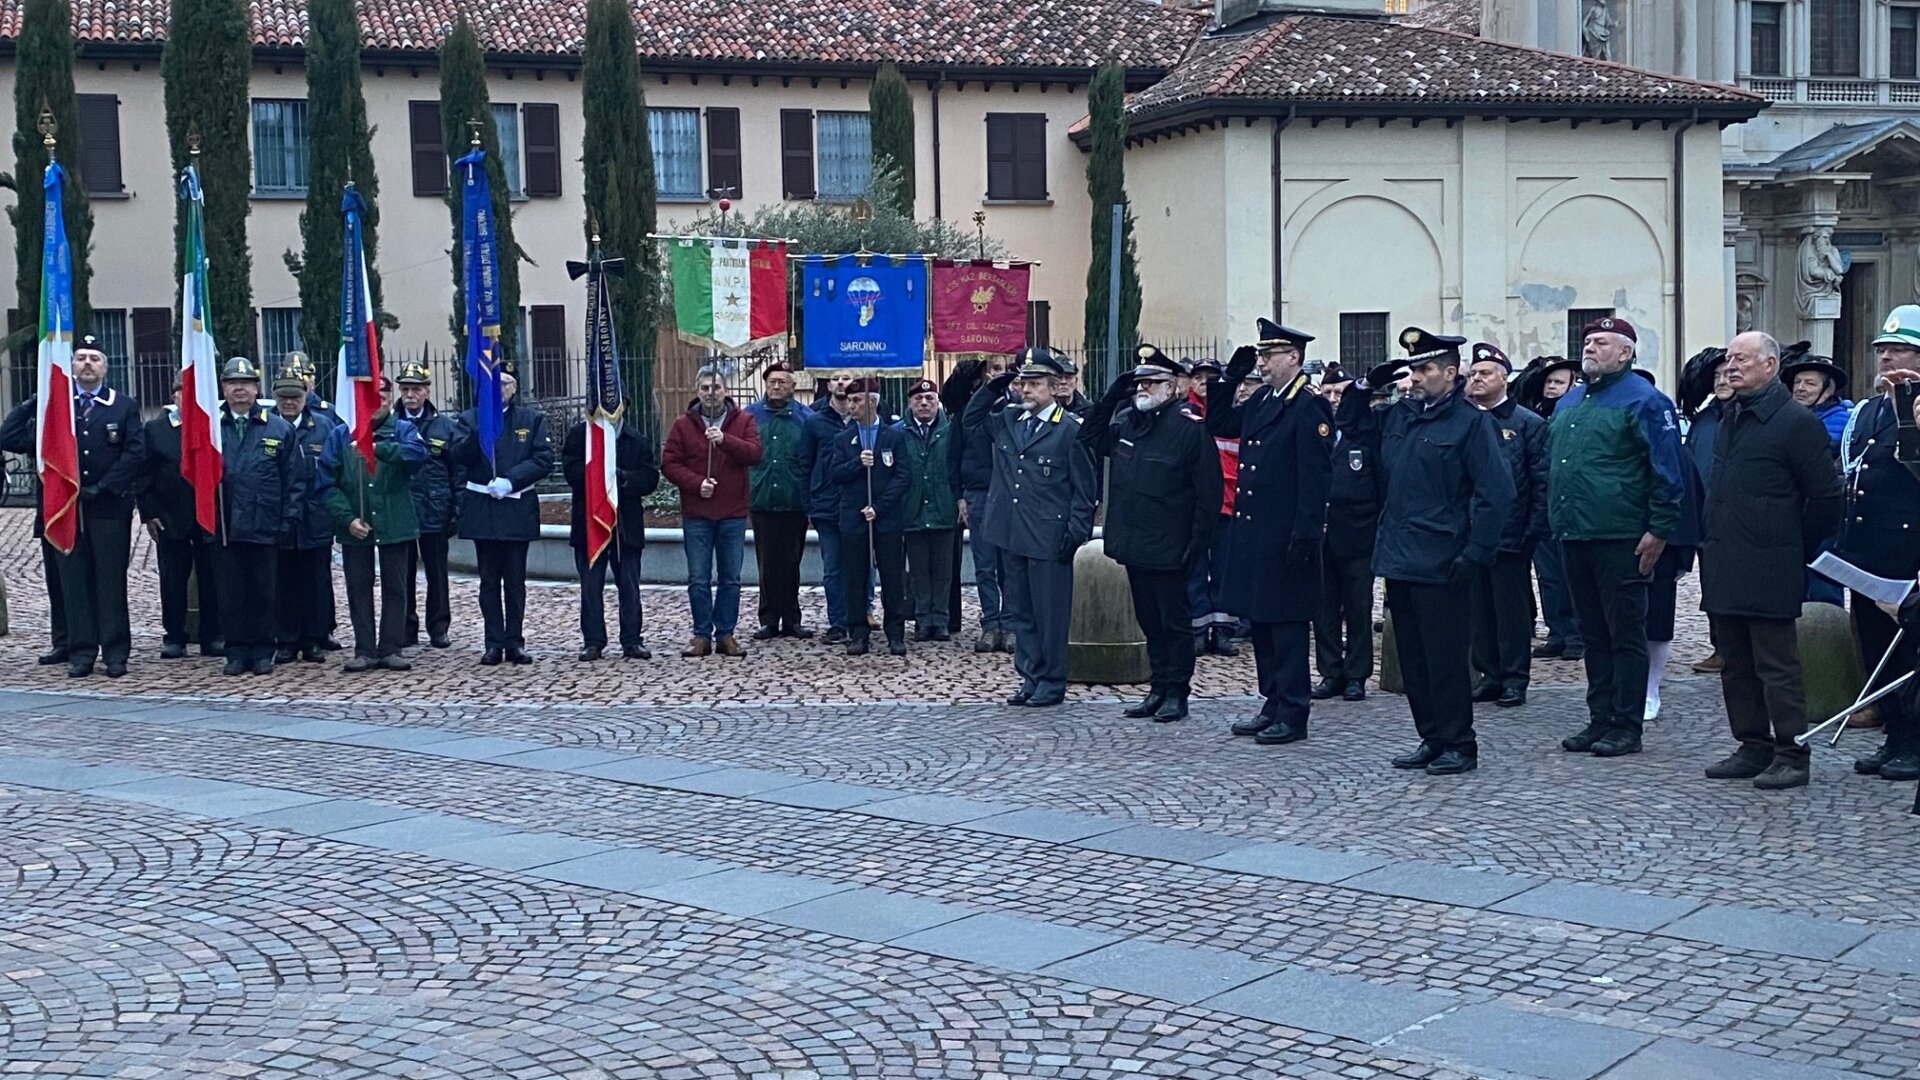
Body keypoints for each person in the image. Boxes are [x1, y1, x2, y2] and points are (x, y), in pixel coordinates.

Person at [1361, 328, 1513, 775]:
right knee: (1414, 659)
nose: (1417, 378)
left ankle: (1459, 742)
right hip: (1401, 555)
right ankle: (1431, 735)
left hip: (1444, 559)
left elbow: (1496, 494)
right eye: (1414, 369)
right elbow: (1359, 429)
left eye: (1426, 369)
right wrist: (1371, 384)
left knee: (1445, 658)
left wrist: (1477, 551)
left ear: (1451, 373)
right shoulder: (1403, 417)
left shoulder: (1471, 422)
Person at [1700, 331, 1844, 790]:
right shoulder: (1730, 416)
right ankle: (1752, 744)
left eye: (1741, 359)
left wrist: (1790, 544)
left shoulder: (1796, 423)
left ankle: (1791, 752)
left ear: (1769, 365)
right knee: (1736, 663)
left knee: (1776, 666)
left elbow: (1825, 498)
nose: (1731, 366)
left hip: (1771, 562)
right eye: (1728, 359)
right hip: (1725, 559)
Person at [1549, 317, 1685, 760]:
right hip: (1575, 532)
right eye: (1587, 341)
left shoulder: (1645, 401)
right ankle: (1600, 716)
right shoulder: (1570, 402)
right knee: (1592, 633)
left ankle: (1627, 722)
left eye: (1601, 342)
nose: (1590, 347)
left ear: (1625, 353)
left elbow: (1667, 472)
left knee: (1625, 632)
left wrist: (1660, 529)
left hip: (1622, 535)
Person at [1207, 320, 1333, 744]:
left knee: (1287, 626)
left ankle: (1293, 711)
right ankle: (1272, 701)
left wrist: (1307, 533)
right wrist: (1227, 378)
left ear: (1293, 358)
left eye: (1268, 356)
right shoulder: (1263, 399)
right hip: (1255, 531)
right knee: (1261, 622)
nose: (1261, 363)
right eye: (1260, 356)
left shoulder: (1308, 406)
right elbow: (1221, 423)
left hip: (1286, 534)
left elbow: (1315, 477)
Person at [1084, 346, 1222, 721]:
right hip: (1134, 542)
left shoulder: (1188, 427)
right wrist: (1113, 395)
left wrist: (1195, 545)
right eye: (1140, 382)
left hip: (1171, 545)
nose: (1143, 388)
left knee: (1174, 623)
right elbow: (1089, 437)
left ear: (1173, 386)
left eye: (1152, 382)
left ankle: (1178, 690)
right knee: (1149, 621)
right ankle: (1158, 686)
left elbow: (1208, 494)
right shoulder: (1130, 421)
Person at [1, 335, 144, 677]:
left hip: (107, 509)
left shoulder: (122, 406)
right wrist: (36, 400)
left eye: (94, 358)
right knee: (74, 583)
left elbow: (135, 452)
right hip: (66, 511)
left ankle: (114, 652)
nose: (87, 364)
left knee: (110, 583)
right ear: (71, 366)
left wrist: (103, 487)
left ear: (106, 367)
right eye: (80, 358)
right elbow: (8, 438)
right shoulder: (56, 408)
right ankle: (81, 651)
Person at [965, 347, 1097, 707]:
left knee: (1049, 614)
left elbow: (1084, 488)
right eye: (1024, 384)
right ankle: (1030, 676)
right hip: (1011, 531)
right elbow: (970, 419)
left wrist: (1076, 532)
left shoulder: (1070, 430)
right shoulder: (1011, 420)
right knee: (1021, 611)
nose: (1027, 391)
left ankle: (1053, 681)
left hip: (1049, 534)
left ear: (1055, 389)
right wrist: (999, 384)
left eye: (1035, 384)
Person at [1831, 306, 1920, 782]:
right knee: (1874, 647)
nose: (1887, 357)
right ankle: (1893, 733)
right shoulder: (1869, 408)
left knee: (1909, 652)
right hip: (1870, 554)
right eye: (1883, 349)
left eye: (1900, 349)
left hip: (1909, 550)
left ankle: (1914, 742)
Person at [321, 376, 428, 672]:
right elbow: (326, 484)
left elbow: (419, 456)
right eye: (371, 397)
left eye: (382, 397)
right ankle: (365, 648)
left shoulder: (404, 430)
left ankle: (391, 647)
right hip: (355, 523)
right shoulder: (340, 435)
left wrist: (378, 448)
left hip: (395, 522)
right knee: (358, 588)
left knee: (396, 587)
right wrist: (347, 518)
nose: (377, 403)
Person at [1464, 343, 1549, 708]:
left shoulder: (1527, 423)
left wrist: (1531, 530)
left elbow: (1541, 480)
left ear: (1504, 379)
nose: (1476, 379)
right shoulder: (1465, 421)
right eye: (1473, 374)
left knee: (1510, 612)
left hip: (1512, 534)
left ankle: (1515, 677)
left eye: (1485, 373)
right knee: (1478, 610)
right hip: (1471, 533)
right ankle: (1489, 674)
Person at [450, 368, 554, 666]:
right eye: (491, 384)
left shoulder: (530, 420)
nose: (498, 389)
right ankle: (493, 642)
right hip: (483, 510)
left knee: (515, 581)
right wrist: (480, 430)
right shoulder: (469, 418)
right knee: (489, 581)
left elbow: (543, 458)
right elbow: (458, 456)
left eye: (503, 384)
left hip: (515, 507)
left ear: (513, 387)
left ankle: (514, 641)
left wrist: (512, 479)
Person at [663, 366, 763, 658]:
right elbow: (669, 463)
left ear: (725, 390)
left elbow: (755, 454)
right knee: (698, 578)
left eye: (716, 387)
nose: (710, 393)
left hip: (732, 512)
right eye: (705, 388)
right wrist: (696, 484)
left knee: (731, 577)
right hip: (698, 513)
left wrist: (725, 440)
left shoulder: (744, 421)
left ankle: (726, 633)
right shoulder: (683, 425)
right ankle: (701, 634)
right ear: (697, 391)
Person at [209, 357, 298, 676]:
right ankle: (235, 651)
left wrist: (287, 520)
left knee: (264, 592)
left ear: (257, 388)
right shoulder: (211, 428)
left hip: (265, 524)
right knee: (231, 594)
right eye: (233, 383)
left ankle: (263, 650)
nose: (239, 389)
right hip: (225, 526)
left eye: (245, 383)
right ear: (224, 388)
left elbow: (293, 479)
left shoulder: (278, 428)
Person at [127, 388, 223, 658]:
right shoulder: (156, 429)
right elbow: (143, 474)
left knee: (211, 579)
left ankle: (213, 635)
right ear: (173, 396)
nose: (189, 397)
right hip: (170, 516)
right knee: (172, 580)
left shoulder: (214, 425)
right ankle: (174, 636)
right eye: (184, 391)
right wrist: (148, 512)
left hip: (208, 515)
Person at [562, 414, 660, 661]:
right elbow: (570, 471)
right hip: (590, 523)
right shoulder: (579, 435)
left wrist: (624, 477)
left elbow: (650, 477)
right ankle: (593, 641)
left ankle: (632, 639)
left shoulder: (636, 439)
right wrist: (596, 476)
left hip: (626, 524)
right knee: (590, 586)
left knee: (629, 585)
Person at [1313, 363, 1383, 702]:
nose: (1333, 399)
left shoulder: (1365, 433)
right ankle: (1330, 672)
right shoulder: (1317, 431)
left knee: (1358, 609)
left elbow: (1379, 485)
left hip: (1357, 534)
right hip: (1320, 535)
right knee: (1324, 609)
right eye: (1327, 393)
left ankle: (1357, 674)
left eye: (1339, 393)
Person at [827, 377, 911, 655]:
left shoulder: (894, 437)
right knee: (855, 576)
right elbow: (835, 474)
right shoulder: (842, 439)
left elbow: (903, 477)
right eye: (849, 400)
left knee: (892, 577)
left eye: (857, 400)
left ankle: (895, 633)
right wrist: (856, 463)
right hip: (854, 517)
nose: (851, 405)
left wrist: (880, 506)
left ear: (872, 402)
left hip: (886, 519)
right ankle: (858, 633)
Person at [1514, 355, 1586, 662]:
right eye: (1549, 382)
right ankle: (1557, 632)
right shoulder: (1535, 415)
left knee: (1570, 575)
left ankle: (1576, 635)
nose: (1552, 388)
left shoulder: (1578, 413)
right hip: (1541, 504)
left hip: (1568, 505)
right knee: (1548, 576)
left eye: (1558, 382)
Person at [946, 359, 1014, 653]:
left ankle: (1011, 624)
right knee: (984, 566)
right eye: (992, 369)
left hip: (1010, 495)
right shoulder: (967, 414)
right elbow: (954, 458)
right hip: (978, 493)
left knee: (1009, 565)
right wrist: (960, 496)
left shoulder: (1016, 411)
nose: (996, 374)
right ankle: (990, 623)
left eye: (1001, 369)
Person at [271, 367, 337, 665]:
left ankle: (314, 639)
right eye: (283, 397)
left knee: (316, 582)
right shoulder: (267, 425)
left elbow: (336, 469)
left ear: (305, 396)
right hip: (280, 516)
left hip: (315, 515)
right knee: (284, 581)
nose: (289, 403)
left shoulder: (324, 427)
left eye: (294, 396)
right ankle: (286, 640)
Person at [744, 362, 815, 640]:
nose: (777, 387)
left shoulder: (805, 419)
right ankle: (769, 618)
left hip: (793, 498)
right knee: (767, 562)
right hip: (762, 497)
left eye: (783, 382)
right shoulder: (750, 416)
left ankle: (792, 618)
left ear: (793, 387)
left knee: (791, 562)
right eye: (773, 381)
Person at [395, 362, 462, 650]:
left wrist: (456, 509)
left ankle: (438, 627)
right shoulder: (390, 423)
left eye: (416, 389)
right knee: (402, 574)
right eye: (405, 389)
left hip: (435, 508)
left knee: (437, 573)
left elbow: (458, 471)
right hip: (401, 510)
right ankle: (406, 627)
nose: (410, 395)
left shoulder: (444, 427)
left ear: (427, 392)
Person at [0, 396, 70, 666]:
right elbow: (8, 437)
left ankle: (93, 639)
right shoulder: (43, 423)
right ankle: (63, 641)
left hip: (88, 511)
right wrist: (34, 401)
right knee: (57, 583)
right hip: (52, 514)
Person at [1679, 348, 1733, 674]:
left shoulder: (1744, 415)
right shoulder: (1704, 419)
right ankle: (1721, 647)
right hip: (1704, 517)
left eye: (1729, 374)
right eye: (1717, 376)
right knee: (1712, 586)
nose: (1723, 380)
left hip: (1737, 519)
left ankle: (1737, 648)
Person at [1185, 357, 1240, 658]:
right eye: (1200, 377)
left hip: (1229, 506)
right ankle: (1196, 629)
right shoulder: (1184, 415)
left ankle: (1222, 631)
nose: (1206, 383)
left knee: (1224, 571)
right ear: (1191, 382)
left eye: (1213, 377)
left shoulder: (1232, 416)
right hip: (1194, 508)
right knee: (1194, 571)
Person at [898, 378, 959, 641]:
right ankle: (922, 619)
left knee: (943, 571)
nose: (924, 403)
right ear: (910, 403)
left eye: (929, 399)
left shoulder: (951, 431)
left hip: (944, 509)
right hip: (912, 511)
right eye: (918, 400)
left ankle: (941, 619)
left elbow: (958, 468)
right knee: (919, 571)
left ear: (938, 403)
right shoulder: (899, 432)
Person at [802, 371, 859, 643]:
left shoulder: (866, 419)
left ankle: (859, 616)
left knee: (858, 565)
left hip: (858, 505)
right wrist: (809, 503)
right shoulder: (814, 422)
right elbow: (805, 464)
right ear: (828, 384)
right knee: (833, 567)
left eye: (846, 378)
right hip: (826, 505)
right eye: (835, 378)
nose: (841, 383)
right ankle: (838, 621)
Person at [1782, 345, 1852, 454]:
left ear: (1827, 391)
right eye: (1797, 382)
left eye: (1810, 383)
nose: (1800, 388)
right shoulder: (1784, 413)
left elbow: (1820, 448)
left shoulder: (1840, 418)